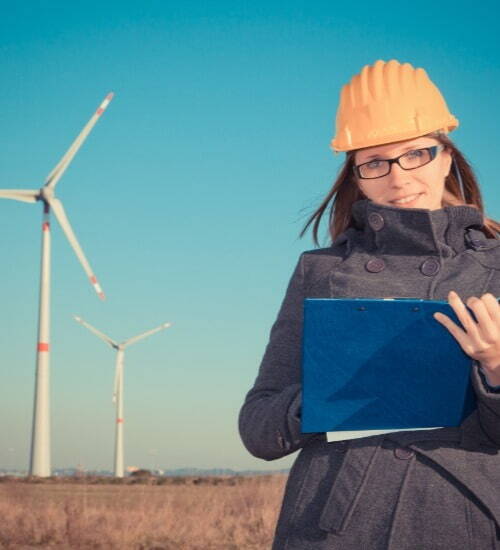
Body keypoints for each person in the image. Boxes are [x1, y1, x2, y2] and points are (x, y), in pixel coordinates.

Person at [238, 59, 500, 549]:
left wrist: (496, 367)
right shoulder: (320, 271)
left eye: (415, 154)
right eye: (375, 162)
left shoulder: (496, 268)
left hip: (463, 522)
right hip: (335, 526)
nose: (398, 179)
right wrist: (328, 398)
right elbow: (257, 429)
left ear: (446, 154)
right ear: (356, 173)